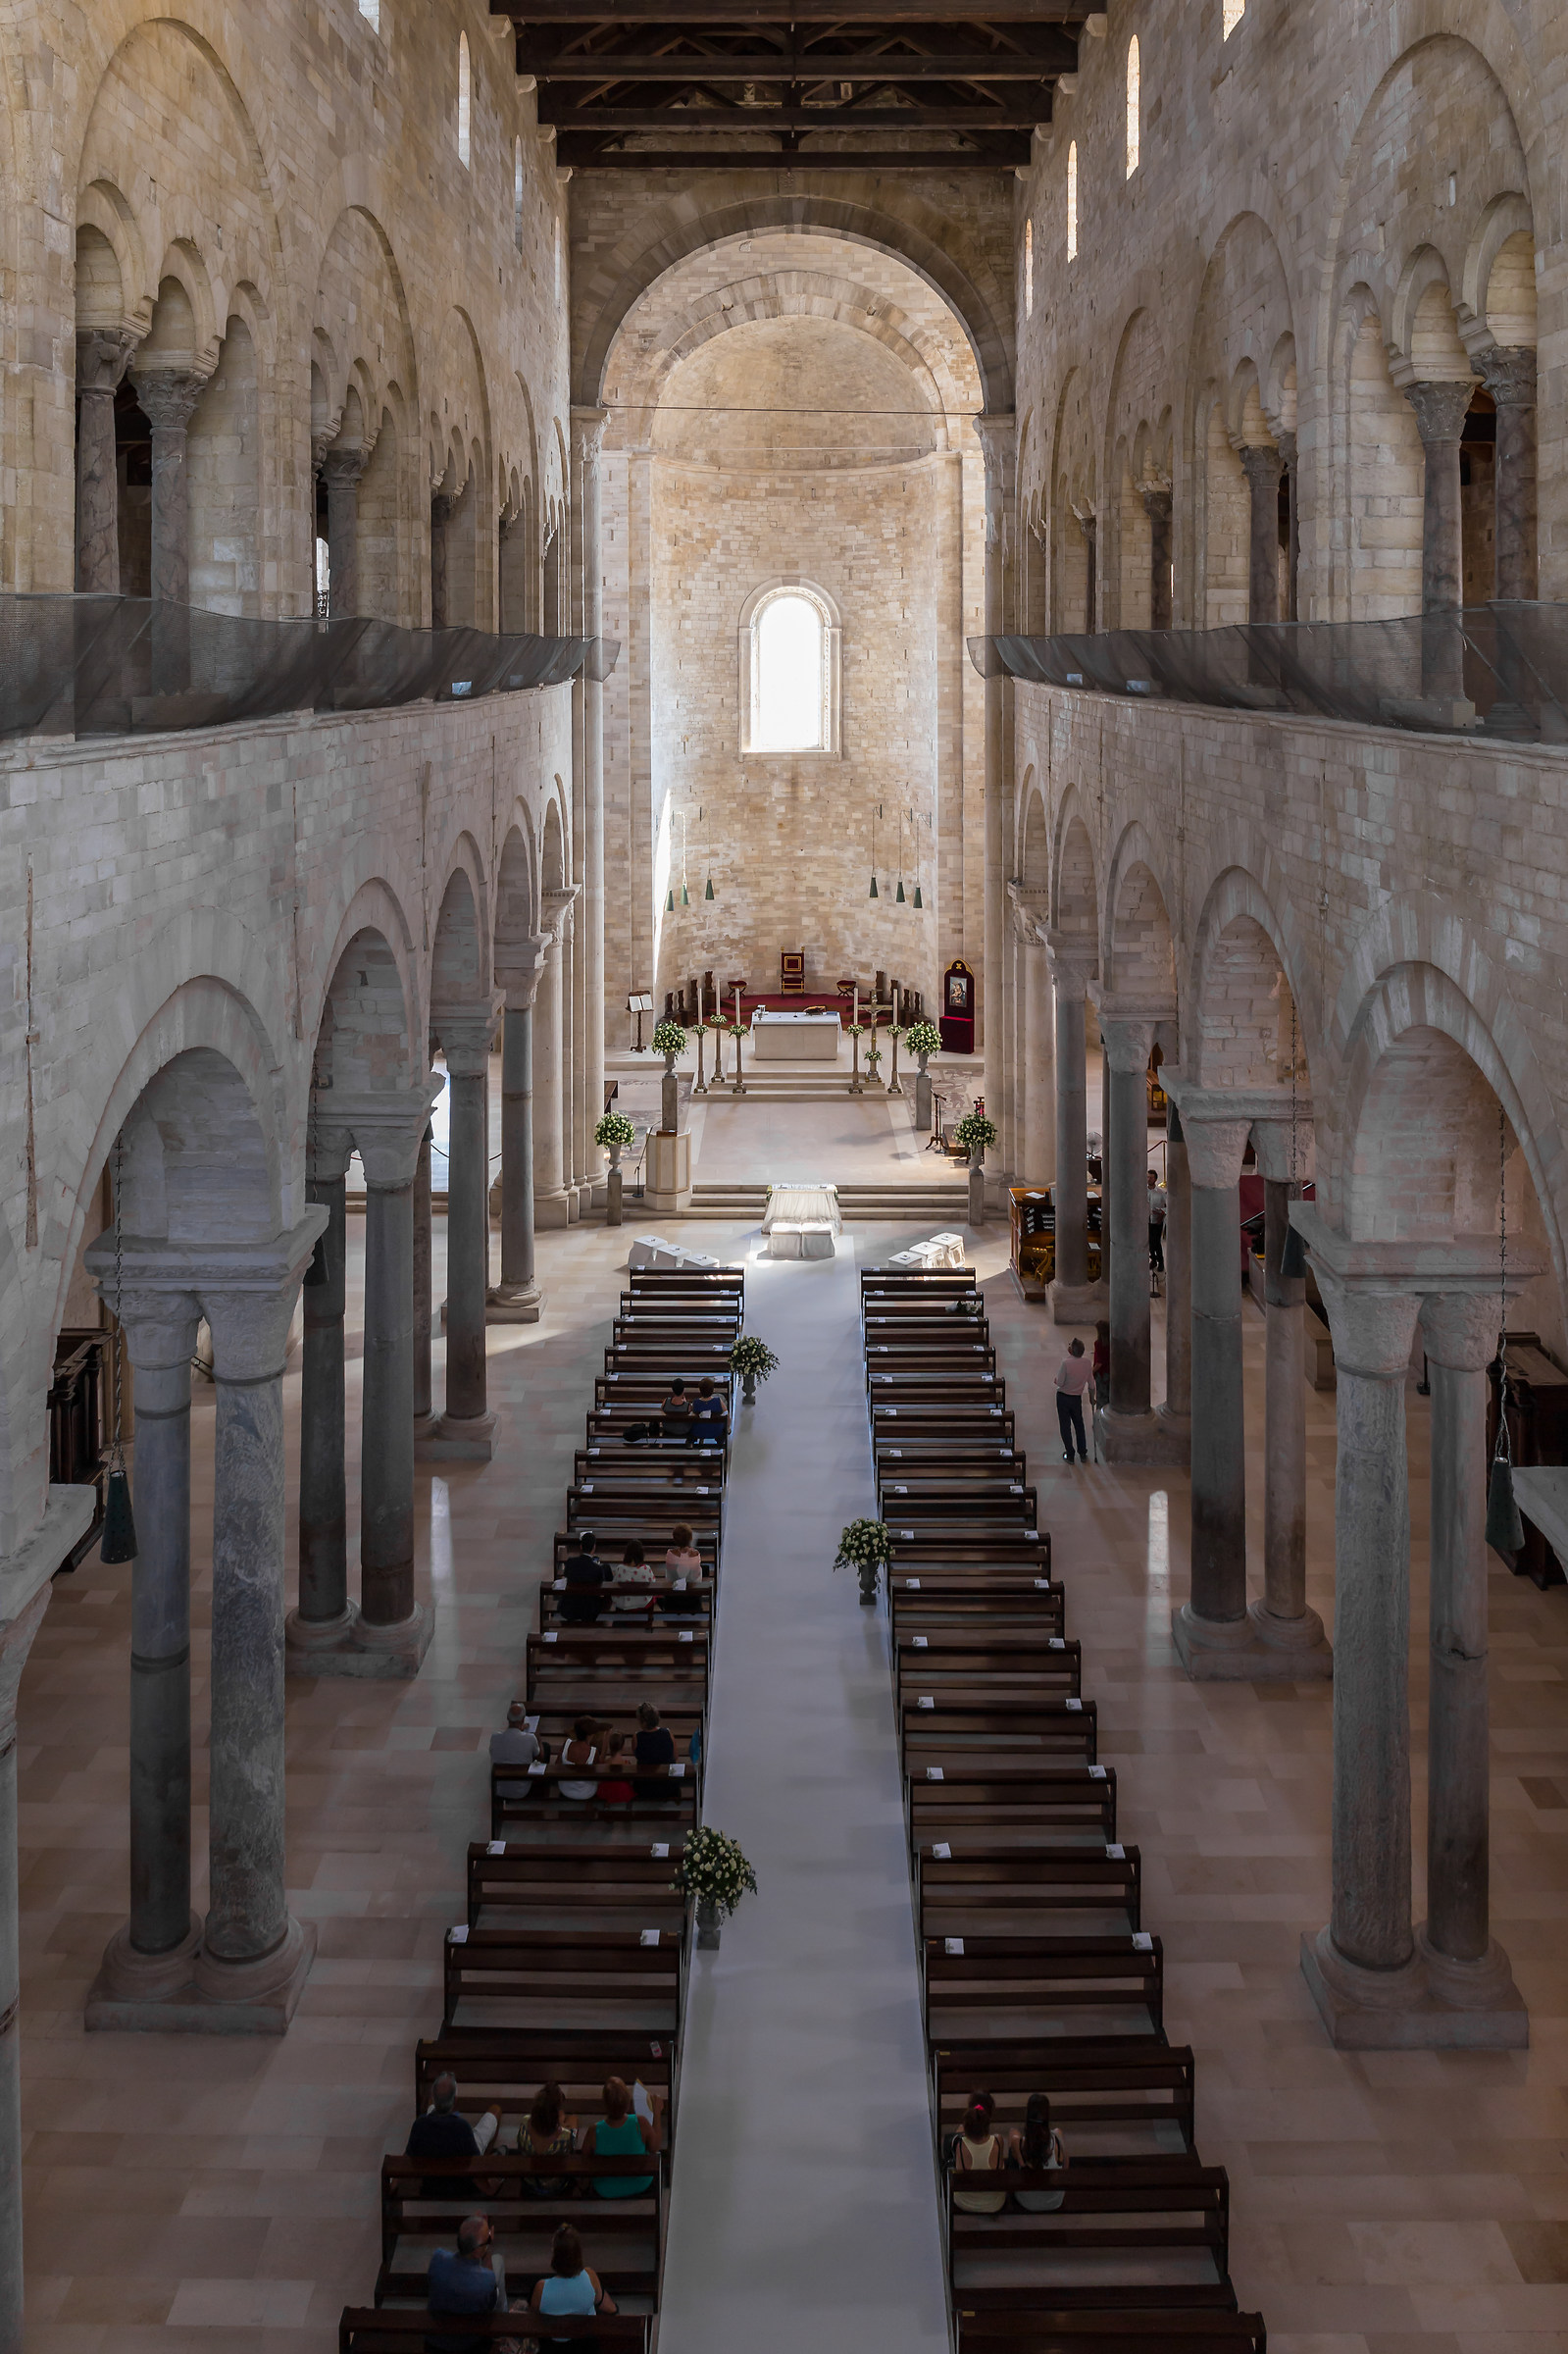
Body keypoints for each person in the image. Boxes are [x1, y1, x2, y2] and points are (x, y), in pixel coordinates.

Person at [427, 2214, 519, 2354]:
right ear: (477, 2252)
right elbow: (490, 2303)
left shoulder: (437, 2258)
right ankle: (501, 2329)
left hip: (435, 2342)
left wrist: (473, 2228)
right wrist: (488, 2249)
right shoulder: (486, 2280)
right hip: (470, 2345)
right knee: (498, 2262)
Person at [407, 2073, 500, 2200]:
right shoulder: (462, 2128)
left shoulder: (419, 2125)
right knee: (495, 2110)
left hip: (432, 2179)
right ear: (456, 2101)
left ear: (434, 2098)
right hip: (459, 2176)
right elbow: (473, 2164)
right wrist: (489, 2188)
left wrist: (392, 2186)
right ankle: (487, 2154)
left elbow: (408, 2155)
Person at [529, 2222, 618, 2347]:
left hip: (553, 2344)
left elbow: (534, 2315)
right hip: (584, 2341)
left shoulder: (541, 2288)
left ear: (555, 2256)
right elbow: (599, 2299)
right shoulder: (590, 2276)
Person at [582, 2074, 663, 2196]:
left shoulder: (594, 2130)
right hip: (640, 2184)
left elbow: (585, 2158)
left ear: (605, 2105)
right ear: (627, 2102)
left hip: (605, 2188)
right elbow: (655, 2147)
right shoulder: (640, 2122)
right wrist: (657, 2113)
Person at [1009, 2090, 1069, 2212]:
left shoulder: (1019, 2143)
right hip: (1054, 2201)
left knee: (1013, 2134)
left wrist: (1022, 2162)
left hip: (1027, 2201)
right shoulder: (1057, 2136)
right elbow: (1066, 2167)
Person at [518, 2081, 578, 2198]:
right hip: (556, 2186)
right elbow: (571, 2148)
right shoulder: (564, 2137)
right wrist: (562, 2126)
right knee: (574, 2120)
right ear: (555, 2116)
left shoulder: (525, 2123)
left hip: (529, 2182)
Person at [950, 2096, 1007, 2216]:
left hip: (965, 2202)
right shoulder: (998, 2141)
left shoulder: (961, 2145)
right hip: (994, 2203)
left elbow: (958, 2172)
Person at [489, 1701, 545, 1802]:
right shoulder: (530, 1738)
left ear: (507, 1718)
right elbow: (540, 1757)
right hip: (521, 1790)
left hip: (499, 1788)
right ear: (523, 1719)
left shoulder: (494, 1737)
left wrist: (519, 1729)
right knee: (544, 1750)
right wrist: (539, 1739)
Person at [1054, 1337, 1094, 1465]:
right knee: (1079, 1425)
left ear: (1071, 1350)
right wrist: (1091, 1398)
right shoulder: (1087, 1363)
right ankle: (1082, 1452)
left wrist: (1056, 1380)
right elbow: (1092, 1384)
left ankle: (1070, 1454)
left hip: (1063, 1397)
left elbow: (1060, 1382)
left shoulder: (1066, 1363)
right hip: (1076, 1398)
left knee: (1065, 1426)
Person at [560, 1529, 611, 1626]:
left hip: (570, 1607)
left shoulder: (570, 1562)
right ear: (594, 1548)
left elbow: (565, 1579)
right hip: (589, 1610)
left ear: (581, 1546)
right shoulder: (597, 1569)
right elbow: (601, 1592)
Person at [632, 1699, 677, 1799]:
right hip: (668, 1784)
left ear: (642, 1721)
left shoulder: (637, 1737)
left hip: (645, 1785)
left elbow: (637, 1755)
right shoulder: (667, 1733)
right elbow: (675, 1756)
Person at [658, 1523, 703, 1616]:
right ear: (690, 1538)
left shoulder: (670, 1554)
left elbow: (671, 1576)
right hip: (692, 1598)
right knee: (701, 1570)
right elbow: (696, 1576)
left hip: (674, 1596)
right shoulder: (696, 1554)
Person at [557, 1716, 602, 1802]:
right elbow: (598, 1773)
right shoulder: (593, 1751)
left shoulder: (566, 1744)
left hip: (565, 1789)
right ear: (589, 1734)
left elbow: (557, 1766)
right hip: (586, 1792)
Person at [612, 1539, 657, 1617]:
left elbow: (614, 1585)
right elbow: (653, 1585)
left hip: (624, 1603)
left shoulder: (620, 1569)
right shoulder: (646, 1569)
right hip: (642, 1603)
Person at [687, 1374, 728, 1447]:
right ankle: (721, 1445)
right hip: (716, 1431)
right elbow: (726, 1413)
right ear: (712, 1390)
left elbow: (692, 1414)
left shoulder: (696, 1402)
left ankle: (691, 1443)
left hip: (699, 1431)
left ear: (700, 1390)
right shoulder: (718, 1401)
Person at [597, 1730, 634, 1807]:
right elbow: (629, 1779)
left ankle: (607, 1804)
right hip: (622, 1789)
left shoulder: (606, 1762)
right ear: (623, 1746)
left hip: (607, 1788)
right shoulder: (626, 1763)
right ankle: (628, 1805)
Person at [1147, 1166, 1167, 1273]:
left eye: (1151, 1177)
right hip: (1147, 1221)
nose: (1148, 1179)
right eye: (1147, 1177)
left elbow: (1167, 1207)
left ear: (1155, 1179)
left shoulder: (1161, 1192)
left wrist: (1161, 1215)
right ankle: (1153, 1260)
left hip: (1157, 1220)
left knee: (1156, 1242)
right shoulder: (1143, 1191)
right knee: (1150, 1242)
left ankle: (1161, 1261)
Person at [1092, 1318, 1110, 1395]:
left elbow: (1099, 1363)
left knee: (1101, 1396)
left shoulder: (1098, 1344)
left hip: (1102, 1373)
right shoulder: (1112, 1342)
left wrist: (1091, 1371)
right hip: (1110, 1371)